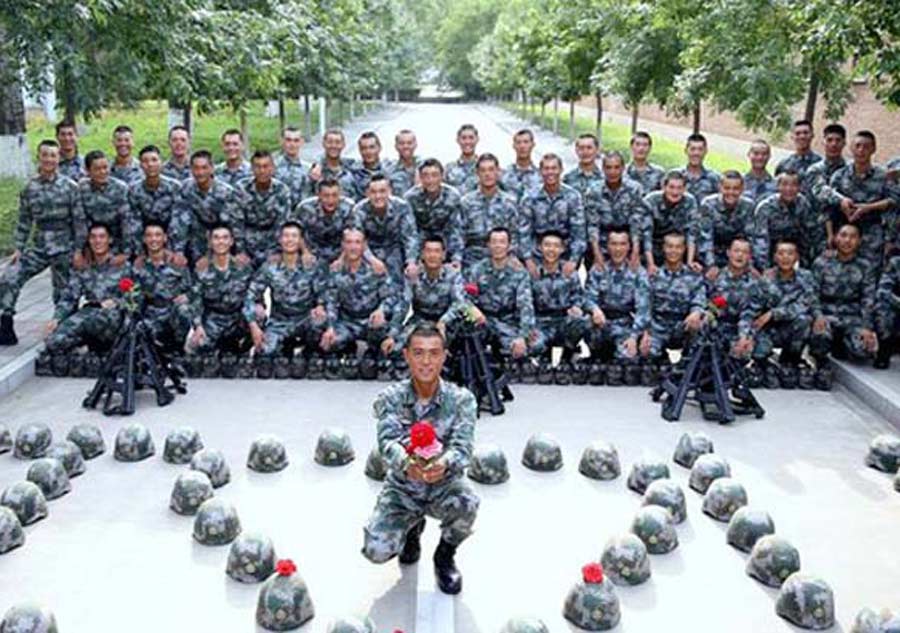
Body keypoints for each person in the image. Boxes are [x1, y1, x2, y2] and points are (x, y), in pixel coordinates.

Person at [362, 322, 479, 595]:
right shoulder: (391, 398)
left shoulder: (462, 400)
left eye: (434, 353)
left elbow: (462, 448)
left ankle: (445, 555)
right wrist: (407, 465)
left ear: (444, 356)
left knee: (467, 504)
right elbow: (387, 442)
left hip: (443, 484)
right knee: (376, 550)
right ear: (406, 356)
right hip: (404, 487)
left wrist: (444, 463)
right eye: (418, 353)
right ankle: (412, 530)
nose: (426, 361)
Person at [0, 140, 85, 345]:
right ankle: (6, 322)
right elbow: (24, 221)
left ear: (58, 158)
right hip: (39, 245)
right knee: (11, 276)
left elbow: (79, 221)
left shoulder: (70, 187)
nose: (49, 159)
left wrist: (79, 250)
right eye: (45, 155)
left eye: (53, 155)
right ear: (39, 157)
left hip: (64, 245)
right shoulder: (30, 188)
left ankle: (64, 329)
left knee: (64, 291)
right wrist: (18, 248)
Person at [244, 222, 329, 359]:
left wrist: (320, 306)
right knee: (265, 352)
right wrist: (254, 325)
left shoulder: (311, 265)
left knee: (320, 319)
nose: (290, 240)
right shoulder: (270, 266)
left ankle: (311, 350)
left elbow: (324, 293)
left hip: (305, 318)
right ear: (280, 240)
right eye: (286, 236)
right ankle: (283, 347)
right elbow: (250, 296)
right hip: (280, 320)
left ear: (301, 241)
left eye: (294, 236)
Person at [44, 223, 129, 354]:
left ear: (110, 240)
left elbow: (137, 296)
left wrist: (117, 302)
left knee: (94, 322)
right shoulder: (83, 267)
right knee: (54, 341)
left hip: (114, 317)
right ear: (88, 240)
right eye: (93, 237)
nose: (97, 241)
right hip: (89, 315)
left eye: (102, 237)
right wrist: (57, 318)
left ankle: (101, 347)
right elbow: (69, 297)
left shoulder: (122, 265)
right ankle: (86, 349)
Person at [383, 236, 468, 355]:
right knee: (396, 350)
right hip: (420, 320)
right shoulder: (413, 275)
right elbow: (403, 305)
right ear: (422, 254)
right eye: (428, 251)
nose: (432, 255)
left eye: (437, 251)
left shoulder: (453, 275)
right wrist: (392, 335)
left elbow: (459, 303)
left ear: (443, 255)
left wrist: (444, 321)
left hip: (447, 323)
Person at [825, 130, 896, 272]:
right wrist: (830, 235)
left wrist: (869, 207)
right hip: (845, 235)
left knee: (870, 273)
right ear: (851, 148)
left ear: (874, 149)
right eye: (857, 146)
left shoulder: (883, 176)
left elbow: (893, 201)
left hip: (872, 235)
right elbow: (828, 207)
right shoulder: (839, 175)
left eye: (866, 147)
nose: (861, 150)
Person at [320, 228, 395, 358]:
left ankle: (373, 351)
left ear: (364, 245)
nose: (353, 247)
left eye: (357, 242)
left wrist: (381, 310)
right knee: (330, 342)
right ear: (343, 245)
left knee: (382, 333)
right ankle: (348, 348)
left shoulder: (376, 269)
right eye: (349, 242)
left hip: (371, 321)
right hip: (347, 322)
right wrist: (330, 327)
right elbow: (332, 302)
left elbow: (390, 297)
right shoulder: (335, 270)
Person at [810, 223, 878, 364]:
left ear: (859, 241)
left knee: (863, 350)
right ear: (836, 238)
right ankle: (826, 350)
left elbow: (868, 298)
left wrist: (867, 327)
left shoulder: (866, 266)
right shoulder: (821, 263)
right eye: (843, 235)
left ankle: (841, 344)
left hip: (852, 316)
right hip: (826, 314)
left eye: (853, 237)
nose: (847, 240)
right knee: (819, 338)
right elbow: (812, 294)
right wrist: (817, 316)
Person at [466, 227, 535, 361]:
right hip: (483, 321)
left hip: (508, 322)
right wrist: (472, 310)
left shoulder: (519, 273)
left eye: (502, 242)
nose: (498, 246)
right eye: (494, 242)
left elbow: (525, 306)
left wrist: (523, 336)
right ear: (488, 245)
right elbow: (465, 299)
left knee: (523, 349)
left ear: (509, 246)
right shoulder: (476, 270)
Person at [583, 228, 650, 362]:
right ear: (607, 246)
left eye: (622, 244)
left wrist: (633, 337)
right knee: (581, 321)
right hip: (601, 323)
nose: (618, 249)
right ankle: (592, 353)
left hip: (624, 324)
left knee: (627, 358)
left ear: (629, 247)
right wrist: (594, 309)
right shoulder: (598, 269)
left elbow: (643, 309)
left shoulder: (638, 272)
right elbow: (587, 298)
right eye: (613, 244)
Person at [186, 223, 254, 355]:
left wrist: (253, 325)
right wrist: (198, 326)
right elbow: (195, 301)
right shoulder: (202, 269)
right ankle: (218, 347)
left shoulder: (243, 268)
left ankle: (241, 350)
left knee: (258, 314)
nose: (221, 242)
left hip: (237, 318)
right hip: (213, 319)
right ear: (210, 243)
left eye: (225, 237)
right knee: (197, 346)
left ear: (231, 241)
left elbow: (251, 297)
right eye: (216, 238)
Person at [750, 239, 816, 373]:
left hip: (790, 327)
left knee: (804, 319)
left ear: (797, 257)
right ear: (774, 257)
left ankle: (791, 359)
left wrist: (773, 313)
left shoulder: (806, 277)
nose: (785, 257)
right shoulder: (766, 279)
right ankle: (763, 362)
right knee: (760, 353)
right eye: (781, 253)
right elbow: (754, 307)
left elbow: (804, 304)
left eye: (790, 253)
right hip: (768, 329)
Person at [639, 231, 706, 361]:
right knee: (647, 352)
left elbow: (699, 301)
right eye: (670, 246)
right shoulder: (653, 276)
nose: (673, 251)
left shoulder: (693, 276)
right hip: (658, 327)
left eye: (678, 247)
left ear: (684, 249)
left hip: (684, 325)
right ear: (663, 248)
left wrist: (696, 312)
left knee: (701, 326)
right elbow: (644, 306)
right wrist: (645, 333)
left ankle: (690, 362)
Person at [518, 153, 586, 275]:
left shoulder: (573, 196)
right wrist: (528, 260)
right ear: (540, 171)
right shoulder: (529, 197)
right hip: (537, 255)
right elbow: (524, 232)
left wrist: (573, 260)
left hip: (565, 254)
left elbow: (579, 232)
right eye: (546, 168)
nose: (550, 172)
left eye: (554, 168)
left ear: (561, 170)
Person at [174, 150, 244, 265]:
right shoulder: (185, 188)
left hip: (222, 241)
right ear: (191, 170)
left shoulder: (226, 192)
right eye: (196, 168)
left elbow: (235, 224)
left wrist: (240, 251)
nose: (200, 172)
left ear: (212, 169)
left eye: (204, 168)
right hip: (196, 239)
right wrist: (178, 251)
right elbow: (179, 220)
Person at [132, 222, 192, 352]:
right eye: (149, 235)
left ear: (165, 238)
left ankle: (181, 351)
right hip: (152, 312)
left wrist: (187, 296)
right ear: (144, 239)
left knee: (184, 312)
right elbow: (135, 294)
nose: (153, 239)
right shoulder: (139, 265)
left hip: (173, 311)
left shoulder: (177, 262)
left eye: (157, 235)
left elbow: (191, 288)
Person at [528, 231, 587, 363]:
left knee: (581, 321)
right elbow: (526, 302)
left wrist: (576, 307)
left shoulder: (570, 273)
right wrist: (529, 327)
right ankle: (543, 357)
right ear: (539, 248)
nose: (551, 250)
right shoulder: (533, 273)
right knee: (534, 345)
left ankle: (569, 352)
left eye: (556, 246)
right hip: (541, 321)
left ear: (562, 249)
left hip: (563, 320)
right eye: (547, 245)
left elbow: (578, 296)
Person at [350, 174, 419, 285]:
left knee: (405, 279)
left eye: (382, 191)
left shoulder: (402, 207)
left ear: (389, 191)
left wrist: (411, 261)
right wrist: (372, 259)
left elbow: (410, 236)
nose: (378, 196)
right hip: (368, 251)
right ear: (367, 193)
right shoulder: (359, 210)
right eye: (373, 192)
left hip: (395, 250)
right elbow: (357, 240)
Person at [697, 170, 768, 276]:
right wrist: (711, 265)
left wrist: (753, 265)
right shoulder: (708, 205)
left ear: (742, 189)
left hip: (740, 256)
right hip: (713, 256)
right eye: (727, 188)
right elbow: (705, 238)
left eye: (735, 189)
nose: (731, 192)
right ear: (720, 187)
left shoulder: (748, 206)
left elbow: (752, 238)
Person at [459, 153, 519, 272]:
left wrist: (512, 255)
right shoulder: (466, 202)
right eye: (483, 170)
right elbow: (459, 234)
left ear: (498, 172)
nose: (487, 174)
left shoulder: (509, 202)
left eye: (491, 170)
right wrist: (457, 259)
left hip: (502, 257)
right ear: (477, 173)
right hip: (472, 258)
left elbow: (515, 233)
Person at [583, 150, 645, 266]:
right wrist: (597, 253)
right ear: (603, 169)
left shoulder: (634, 189)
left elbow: (636, 222)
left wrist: (635, 251)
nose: (612, 172)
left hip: (627, 242)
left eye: (617, 167)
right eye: (608, 167)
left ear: (623, 168)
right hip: (601, 241)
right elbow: (592, 224)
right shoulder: (593, 190)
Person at [127, 144, 186, 257]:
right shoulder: (134, 189)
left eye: (154, 160)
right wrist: (140, 252)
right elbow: (134, 223)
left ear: (161, 162)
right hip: (145, 240)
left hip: (172, 239)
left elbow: (179, 221)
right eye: (145, 161)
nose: (150, 164)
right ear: (140, 165)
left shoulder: (175, 187)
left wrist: (176, 251)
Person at [237, 150, 293, 268]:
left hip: (272, 244)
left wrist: (278, 251)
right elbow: (236, 222)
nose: (262, 171)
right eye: (257, 167)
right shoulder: (241, 188)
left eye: (266, 166)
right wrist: (240, 251)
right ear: (252, 169)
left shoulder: (282, 190)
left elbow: (283, 224)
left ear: (273, 168)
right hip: (247, 244)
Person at [755, 170, 821, 268]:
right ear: (778, 186)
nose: (789, 189)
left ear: (799, 187)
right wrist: (764, 267)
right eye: (784, 184)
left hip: (797, 254)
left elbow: (812, 233)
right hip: (772, 254)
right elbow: (761, 241)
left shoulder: (803, 203)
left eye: (794, 185)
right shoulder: (765, 208)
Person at [403, 159, 464, 266]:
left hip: (446, 245)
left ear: (442, 176)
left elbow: (455, 230)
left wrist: (456, 259)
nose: (430, 180)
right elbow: (410, 232)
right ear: (420, 178)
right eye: (426, 176)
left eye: (434, 175)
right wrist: (412, 260)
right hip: (420, 246)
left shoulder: (453, 196)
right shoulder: (410, 198)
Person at [706, 238, 758, 360]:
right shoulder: (715, 277)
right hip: (717, 327)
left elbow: (749, 314)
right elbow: (707, 305)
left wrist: (743, 337)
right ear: (728, 253)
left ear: (749, 256)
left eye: (744, 252)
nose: (740, 255)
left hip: (739, 328)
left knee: (745, 351)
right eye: (736, 251)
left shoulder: (754, 283)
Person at [640, 170, 700, 275]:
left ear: (684, 189)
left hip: (678, 246)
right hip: (654, 246)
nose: (675, 192)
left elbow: (691, 232)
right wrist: (650, 264)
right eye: (671, 187)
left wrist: (690, 261)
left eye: (679, 188)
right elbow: (646, 234)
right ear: (663, 187)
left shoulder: (690, 201)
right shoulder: (651, 201)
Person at [291, 178, 356, 270]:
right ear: (318, 195)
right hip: (312, 251)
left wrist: (342, 258)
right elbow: (296, 232)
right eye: (326, 196)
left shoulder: (349, 207)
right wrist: (305, 252)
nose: (331, 200)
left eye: (335, 195)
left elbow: (354, 235)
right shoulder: (305, 208)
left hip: (340, 252)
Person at [77, 150, 132, 257]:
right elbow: (80, 221)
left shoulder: (120, 188)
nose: (102, 172)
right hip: (92, 242)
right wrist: (82, 249)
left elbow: (126, 222)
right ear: (87, 171)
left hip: (116, 242)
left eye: (105, 167)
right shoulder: (82, 188)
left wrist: (125, 252)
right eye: (97, 169)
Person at [307, 128, 358, 199]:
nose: (333, 146)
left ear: (343, 145)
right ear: (323, 144)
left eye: (337, 142)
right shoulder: (315, 172)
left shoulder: (352, 169)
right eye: (330, 142)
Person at [499, 129, 542, 203]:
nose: (522, 146)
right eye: (518, 142)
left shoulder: (541, 176)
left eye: (526, 142)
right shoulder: (504, 175)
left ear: (533, 144)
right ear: (514, 146)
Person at [274, 126, 312, 209]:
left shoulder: (309, 169)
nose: (292, 144)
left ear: (301, 142)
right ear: (281, 141)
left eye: (296, 140)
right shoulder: (272, 167)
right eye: (288, 140)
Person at [874, 255, 900, 369]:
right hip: (897, 306)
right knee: (883, 307)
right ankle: (885, 349)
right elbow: (883, 292)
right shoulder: (896, 262)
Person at [682, 133, 721, 202]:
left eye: (700, 149)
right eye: (692, 149)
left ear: (705, 151)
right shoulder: (677, 175)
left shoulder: (714, 178)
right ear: (686, 150)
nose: (696, 153)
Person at [352, 131, 390, 200]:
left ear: (379, 148)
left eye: (372, 147)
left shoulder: (390, 170)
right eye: (364, 148)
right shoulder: (353, 174)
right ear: (360, 150)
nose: (368, 152)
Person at [444, 124, 480, 194]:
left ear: (477, 139)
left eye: (471, 138)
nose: (467, 142)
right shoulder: (449, 169)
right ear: (458, 140)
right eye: (463, 138)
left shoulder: (486, 168)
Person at [386, 129, 420, 195]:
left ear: (415, 145)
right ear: (396, 146)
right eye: (401, 143)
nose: (405, 146)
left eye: (409, 143)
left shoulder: (424, 167)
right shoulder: (389, 171)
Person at [743, 139, 777, 205]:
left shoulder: (776, 185)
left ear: (769, 156)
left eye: (764, 154)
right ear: (749, 155)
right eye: (756, 153)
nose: (760, 157)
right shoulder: (740, 183)